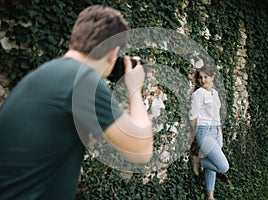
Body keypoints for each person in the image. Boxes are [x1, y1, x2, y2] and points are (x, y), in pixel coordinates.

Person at [0, 5, 153, 200]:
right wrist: (134, 88)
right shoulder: (84, 80)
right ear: (114, 52)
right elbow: (142, 152)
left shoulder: (48, 72)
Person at [189, 66, 229, 200]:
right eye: (200, 77)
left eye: (205, 77)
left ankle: (210, 196)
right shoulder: (198, 93)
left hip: (217, 131)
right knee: (223, 167)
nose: (202, 80)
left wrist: (219, 131)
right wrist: (193, 136)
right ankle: (198, 161)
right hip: (204, 132)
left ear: (212, 77)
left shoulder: (215, 93)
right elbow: (193, 116)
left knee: (212, 165)